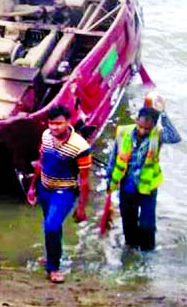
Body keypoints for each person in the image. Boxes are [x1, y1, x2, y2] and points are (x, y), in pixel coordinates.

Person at [26, 105, 91, 284]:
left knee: (52, 226)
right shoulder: (46, 136)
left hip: (64, 192)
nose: (54, 128)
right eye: (51, 123)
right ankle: (52, 257)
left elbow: (85, 181)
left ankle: (53, 268)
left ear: (68, 122)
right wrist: (32, 187)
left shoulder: (81, 147)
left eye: (59, 124)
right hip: (44, 187)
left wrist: (82, 207)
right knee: (50, 226)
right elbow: (41, 162)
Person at [106, 97, 181, 252]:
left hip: (148, 187)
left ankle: (147, 255)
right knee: (129, 221)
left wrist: (163, 113)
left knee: (147, 225)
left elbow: (175, 138)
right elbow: (113, 158)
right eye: (140, 126)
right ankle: (131, 251)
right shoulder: (123, 132)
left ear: (153, 125)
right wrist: (109, 181)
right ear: (136, 121)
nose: (142, 131)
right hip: (127, 185)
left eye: (147, 128)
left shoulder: (158, 134)